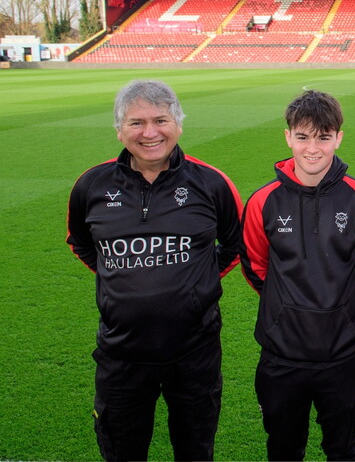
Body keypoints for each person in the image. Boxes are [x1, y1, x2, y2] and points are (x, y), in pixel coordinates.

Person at [66, 79, 243, 461]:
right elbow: (81, 242)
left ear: (178, 124)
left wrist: (195, 282)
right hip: (122, 354)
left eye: (161, 120)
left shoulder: (211, 184)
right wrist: (121, 278)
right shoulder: (91, 185)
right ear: (119, 129)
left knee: (195, 450)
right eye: (136, 123)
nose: (150, 133)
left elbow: (234, 243)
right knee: (122, 451)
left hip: (194, 353)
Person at [239, 90, 355, 461]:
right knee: (284, 450)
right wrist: (286, 307)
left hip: (342, 354)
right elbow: (256, 265)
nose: (312, 148)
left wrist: (344, 311)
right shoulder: (263, 201)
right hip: (282, 355)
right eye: (302, 137)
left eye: (323, 137)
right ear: (288, 137)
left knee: (342, 449)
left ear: (339, 137)